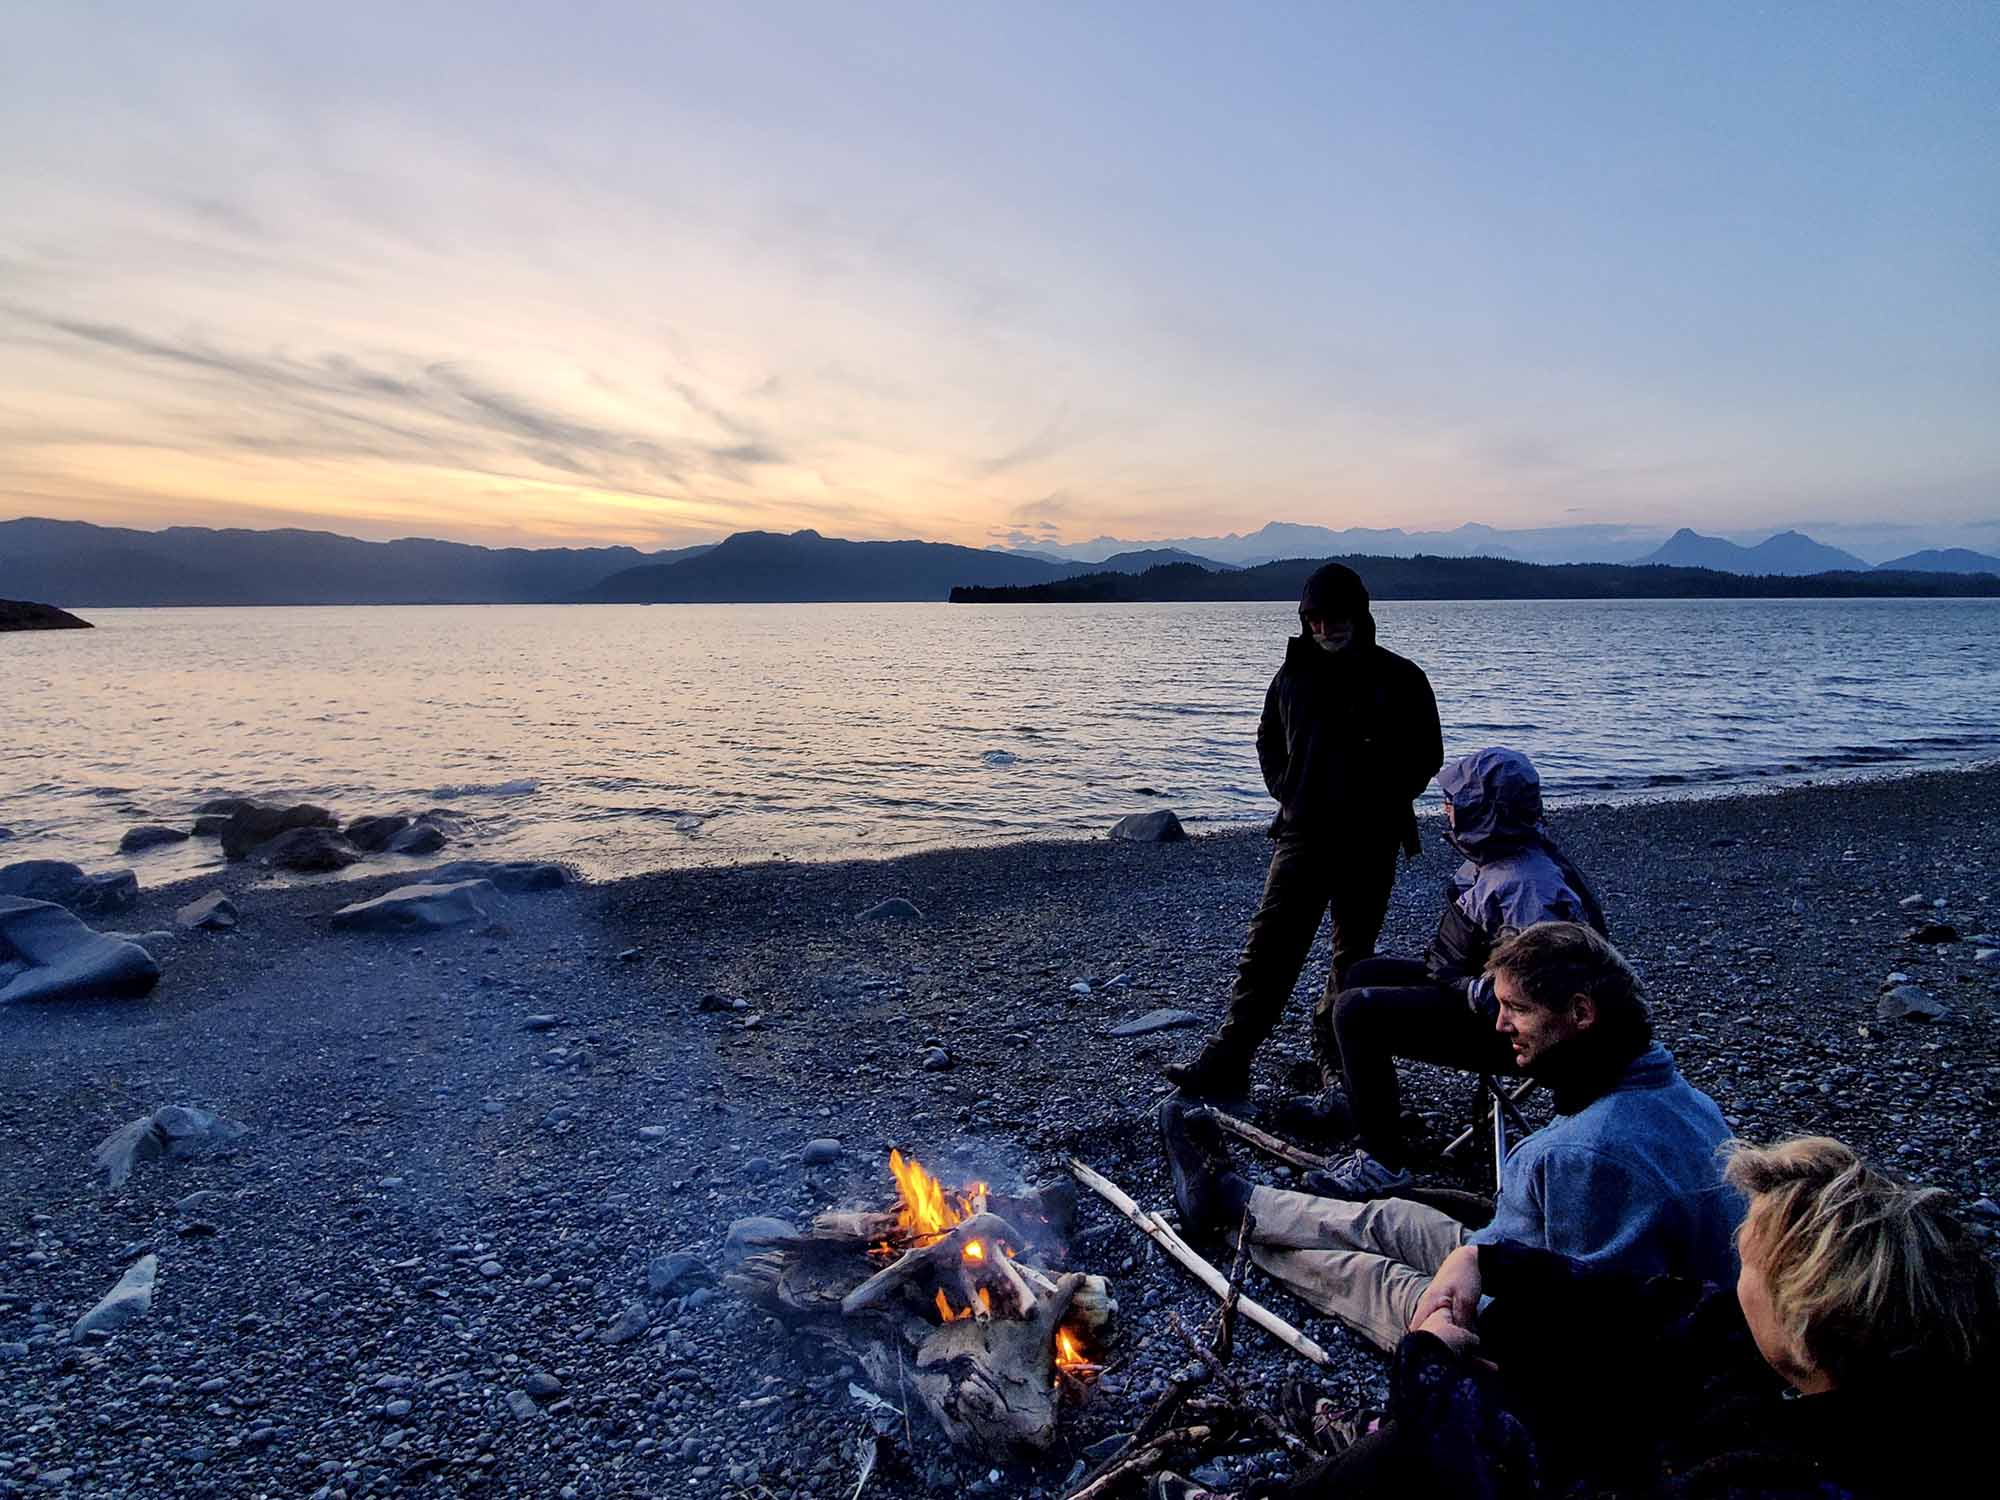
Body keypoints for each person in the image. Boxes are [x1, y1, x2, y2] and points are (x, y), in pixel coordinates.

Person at [1161, 1136, 2000, 1500]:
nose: (1734, 1253)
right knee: (1402, 1230)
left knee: (1396, 1439)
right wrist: (1489, 1260)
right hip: (1518, 1327)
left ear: (1809, 1332)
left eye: (1751, 1254)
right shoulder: (1812, 1375)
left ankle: (1241, 1228)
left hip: (1513, 1429)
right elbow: (1654, 1303)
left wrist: (1431, 1368)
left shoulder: (1767, 1481)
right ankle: (1238, 1208)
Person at [1158, 921, 1740, 1354]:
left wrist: (1445, 1332)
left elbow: (1563, 1321)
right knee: (1392, 1220)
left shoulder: (1580, 1155)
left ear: (1581, 1014)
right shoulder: (1678, 1097)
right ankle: (1240, 1201)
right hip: (1549, 1263)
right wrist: (1476, 1251)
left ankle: (1242, 1233)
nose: (1500, 1025)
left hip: (1537, 1328)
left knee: (1364, 1275)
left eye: (1517, 1008)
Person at [1165, 563, 1443, 1105]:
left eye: (1335, 617)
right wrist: (1285, 790)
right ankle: (1229, 1059)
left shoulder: (1402, 678)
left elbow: (1427, 754)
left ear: (1359, 616)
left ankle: (1334, 1057)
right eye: (1315, 618)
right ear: (1304, 619)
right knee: (1269, 949)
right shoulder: (1291, 678)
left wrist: (1386, 799)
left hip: (1372, 840)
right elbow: (1268, 740)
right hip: (1303, 836)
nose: (1325, 627)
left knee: (1353, 957)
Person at [1285, 746, 1607, 1198]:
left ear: (1484, 810)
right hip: (1479, 989)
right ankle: (1364, 1109)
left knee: (1356, 1012)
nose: (1445, 811)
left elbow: (1545, 997)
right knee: (1361, 973)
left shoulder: (1530, 887)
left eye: (1454, 802)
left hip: (1514, 1031)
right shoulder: (1503, 856)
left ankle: (1383, 1163)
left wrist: (1475, 992)